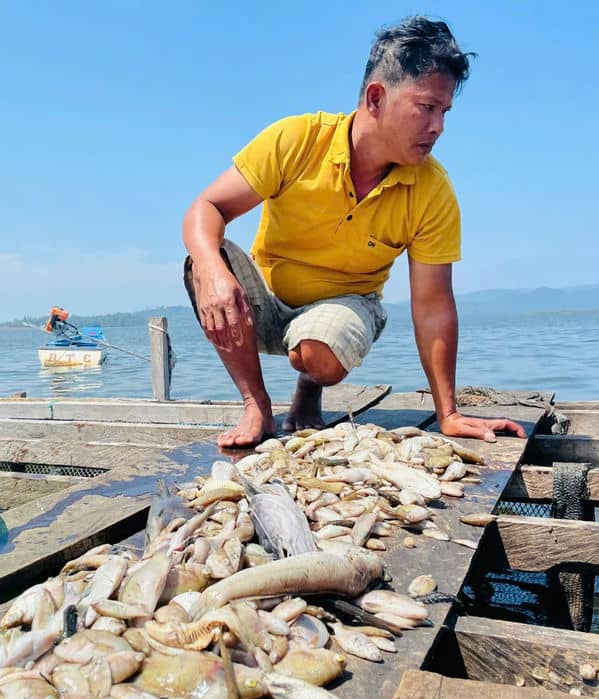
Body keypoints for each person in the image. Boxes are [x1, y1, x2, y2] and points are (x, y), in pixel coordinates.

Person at [182, 15, 527, 449]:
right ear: (377, 97)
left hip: (345, 309)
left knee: (318, 354)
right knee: (202, 261)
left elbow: (433, 306)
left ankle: (310, 385)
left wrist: (449, 414)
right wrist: (214, 270)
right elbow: (206, 207)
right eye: (427, 108)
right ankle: (256, 405)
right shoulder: (297, 139)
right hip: (264, 304)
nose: (439, 126)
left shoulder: (432, 190)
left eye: (445, 111)